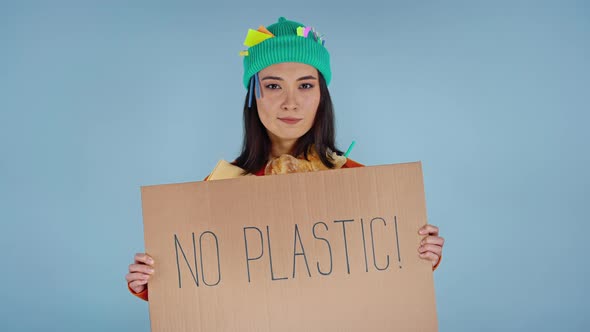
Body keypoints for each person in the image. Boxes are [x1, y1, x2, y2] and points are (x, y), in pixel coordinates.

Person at [126, 16, 445, 301]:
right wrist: (149, 282)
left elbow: (383, 276)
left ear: (322, 95)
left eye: (305, 85)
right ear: (253, 95)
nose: (290, 102)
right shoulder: (219, 187)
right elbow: (197, 284)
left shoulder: (358, 180)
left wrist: (421, 256)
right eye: (273, 85)